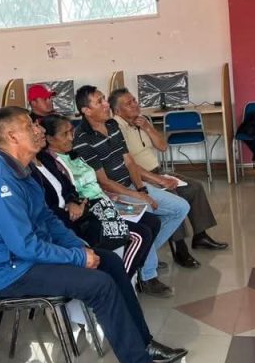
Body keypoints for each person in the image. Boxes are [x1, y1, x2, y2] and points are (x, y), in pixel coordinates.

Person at [0, 107, 187, 363]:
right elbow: (24, 246)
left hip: (30, 257)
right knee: (99, 285)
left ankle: (143, 343)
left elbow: (47, 218)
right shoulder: (0, 182)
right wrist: (76, 257)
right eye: (30, 126)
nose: (39, 130)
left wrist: (79, 246)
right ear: (12, 136)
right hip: (12, 271)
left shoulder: (23, 170)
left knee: (109, 262)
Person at [73, 85, 190, 297]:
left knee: (180, 207)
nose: (106, 104)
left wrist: (142, 188)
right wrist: (139, 197)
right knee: (148, 214)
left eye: (104, 99)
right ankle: (148, 277)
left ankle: (142, 256)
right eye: (99, 102)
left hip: (131, 186)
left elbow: (129, 162)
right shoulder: (82, 139)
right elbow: (104, 182)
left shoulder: (111, 125)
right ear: (86, 111)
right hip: (112, 195)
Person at [110, 88, 228, 258]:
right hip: (141, 177)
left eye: (134, 100)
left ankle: (200, 236)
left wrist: (148, 127)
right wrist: (158, 180)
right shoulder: (116, 129)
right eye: (129, 103)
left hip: (158, 171)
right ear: (117, 111)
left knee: (195, 187)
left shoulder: (141, 121)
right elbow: (129, 165)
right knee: (174, 195)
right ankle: (179, 247)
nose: (135, 104)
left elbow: (163, 147)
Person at [36, 114, 157, 278]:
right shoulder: (54, 162)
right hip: (92, 208)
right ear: (50, 138)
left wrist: (108, 194)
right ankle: (124, 278)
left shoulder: (74, 154)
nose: (71, 137)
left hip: (105, 200)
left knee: (152, 221)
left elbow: (92, 182)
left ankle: (137, 269)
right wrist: (79, 201)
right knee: (142, 235)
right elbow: (72, 192)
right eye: (65, 134)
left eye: (71, 131)